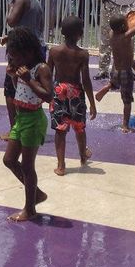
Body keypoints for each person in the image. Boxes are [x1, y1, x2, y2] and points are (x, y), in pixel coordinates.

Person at [2, 27, 52, 221]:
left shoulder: (41, 69)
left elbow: (48, 96)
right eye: (11, 58)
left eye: (15, 57)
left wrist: (29, 79)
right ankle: (36, 194)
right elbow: (19, 90)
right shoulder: (21, 69)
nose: (13, 61)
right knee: (9, 160)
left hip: (34, 119)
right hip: (21, 119)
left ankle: (30, 209)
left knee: (28, 166)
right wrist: (15, 78)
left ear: (29, 52)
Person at [47, 16, 96, 176]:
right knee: (79, 128)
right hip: (75, 92)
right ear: (80, 34)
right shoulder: (82, 54)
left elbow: (48, 74)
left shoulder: (54, 51)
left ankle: (61, 165)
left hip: (59, 91)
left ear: (62, 32)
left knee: (60, 130)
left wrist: (47, 95)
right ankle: (82, 157)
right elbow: (86, 80)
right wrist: (92, 103)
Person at [2, 0, 44, 130]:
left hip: (21, 52)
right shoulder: (36, 1)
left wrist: (10, 7)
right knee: (28, 87)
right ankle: (28, 124)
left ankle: (15, 128)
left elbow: (12, 21)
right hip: (35, 47)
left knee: (10, 90)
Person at [95, 10, 135, 132]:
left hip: (115, 69)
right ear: (124, 27)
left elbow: (117, 25)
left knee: (115, 82)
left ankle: (108, 87)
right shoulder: (126, 36)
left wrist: (126, 16)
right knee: (127, 101)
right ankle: (125, 125)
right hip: (125, 72)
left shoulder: (111, 34)